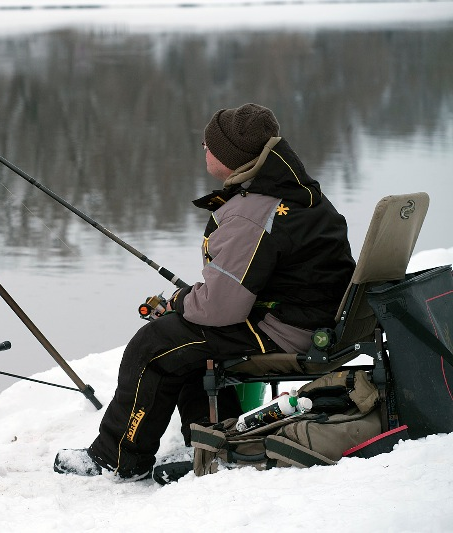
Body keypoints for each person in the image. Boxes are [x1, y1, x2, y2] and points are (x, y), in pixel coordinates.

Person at [54, 103, 355, 480]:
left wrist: (179, 301)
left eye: (209, 145)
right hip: (306, 319)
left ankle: (116, 457)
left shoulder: (253, 212)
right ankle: (208, 440)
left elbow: (219, 309)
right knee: (183, 337)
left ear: (232, 158)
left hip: (289, 330)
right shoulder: (295, 192)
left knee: (154, 346)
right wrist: (188, 306)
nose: (203, 148)